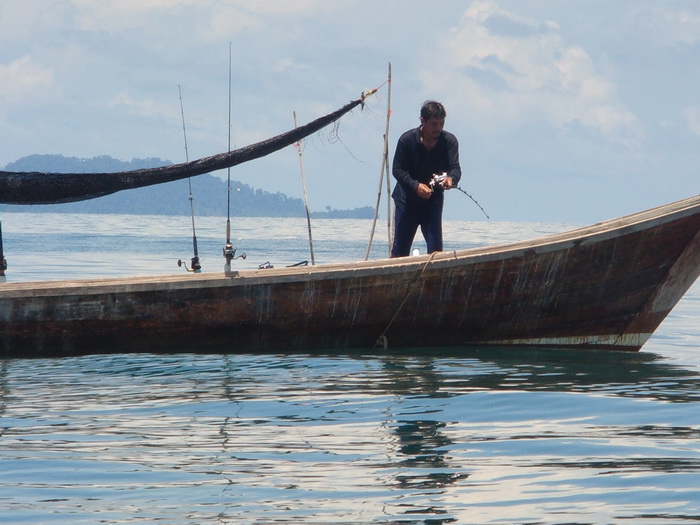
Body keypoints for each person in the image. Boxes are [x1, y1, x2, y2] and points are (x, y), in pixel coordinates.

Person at [390, 100, 461, 257]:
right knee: (400, 251)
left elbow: (455, 168)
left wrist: (451, 179)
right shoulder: (407, 140)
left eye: (442, 123)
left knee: (435, 251)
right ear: (423, 120)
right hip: (406, 202)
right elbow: (397, 170)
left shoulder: (449, 141)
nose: (438, 128)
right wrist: (416, 186)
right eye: (434, 124)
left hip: (432, 201)